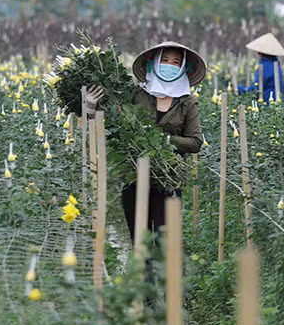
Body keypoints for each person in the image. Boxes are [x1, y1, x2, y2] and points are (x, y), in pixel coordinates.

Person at [84, 41, 205, 245]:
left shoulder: (187, 102)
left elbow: (195, 142)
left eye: (176, 62)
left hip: (169, 179)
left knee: (162, 238)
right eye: (164, 60)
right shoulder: (136, 94)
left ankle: (172, 275)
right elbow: (112, 123)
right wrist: (90, 108)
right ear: (154, 64)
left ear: (183, 68)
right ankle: (144, 276)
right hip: (134, 177)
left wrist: (160, 139)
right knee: (139, 241)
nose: (169, 65)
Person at [238, 32, 284, 105]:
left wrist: (238, 88)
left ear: (261, 53)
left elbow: (256, 89)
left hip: (269, 104)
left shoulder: (265, 66)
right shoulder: (275, 63)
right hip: (277, 103)